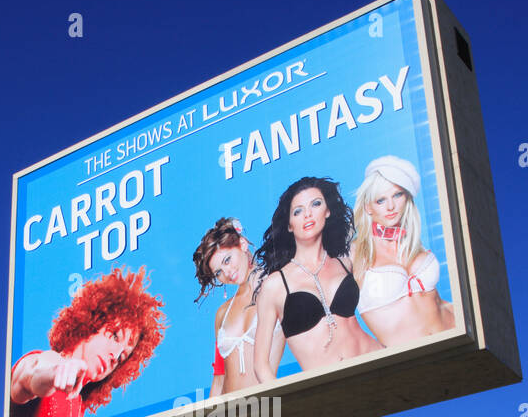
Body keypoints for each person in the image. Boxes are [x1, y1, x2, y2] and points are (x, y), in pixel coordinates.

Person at [8, 268, 165, 417]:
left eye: (122, 357)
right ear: (93, 320)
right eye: (115, 336)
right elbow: (30, 375)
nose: (115, 356)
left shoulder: (78, 410)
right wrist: (55, 372)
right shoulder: (49, 360)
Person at [252, 176, 382, 380]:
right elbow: (261, 365)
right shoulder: (275, 285)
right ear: (289, 225)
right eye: (298, 211)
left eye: (316, 204)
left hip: (378, 363)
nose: (308, 214)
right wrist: (288, 408)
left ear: (327, 211)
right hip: (331, 389)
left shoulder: (346, 261)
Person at [350, 155, 455, 347]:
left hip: (453, 338)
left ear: (407, 197)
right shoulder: (355, 254)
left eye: (397, 195)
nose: (391, 206)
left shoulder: (413, 243)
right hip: (411, 362)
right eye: (381, 200)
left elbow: (437, 302)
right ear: (368, 207)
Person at [191, 217, 284, 395]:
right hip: (227, 416)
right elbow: (219, 379)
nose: (227, 272)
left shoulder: (277, 287)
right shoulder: (222, 314)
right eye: (218, 272)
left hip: (265, 409)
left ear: (242, 244)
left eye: (227, 260)